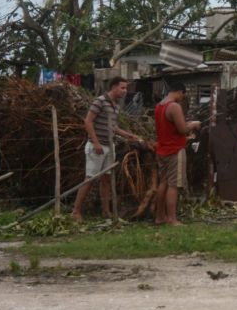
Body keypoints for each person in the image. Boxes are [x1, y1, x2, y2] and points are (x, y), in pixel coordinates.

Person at [71, 76, 143, 222]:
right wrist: (96, 143)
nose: (125, 91)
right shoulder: (100, 101)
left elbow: (113, 127)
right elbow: (88, 121)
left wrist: (130, 135)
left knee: (106, 179)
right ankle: (76, 211)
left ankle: (106, 211)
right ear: (114, 87)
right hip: (96, 146)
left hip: (109, 147)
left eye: (125, 88)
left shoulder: (116, 106)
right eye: (122, 88)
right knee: (90, 178)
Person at [154, 82, 201, 226]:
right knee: (173, 185)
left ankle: (160, 216)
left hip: (162, 149)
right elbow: (182, 129)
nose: (182, 98)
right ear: (180, 92)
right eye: (183, 95)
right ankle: (172, 219)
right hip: (175, 150)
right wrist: (193, 124)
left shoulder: (159, 106)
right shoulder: (174, 106)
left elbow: (171, 126)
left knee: (163, 183)